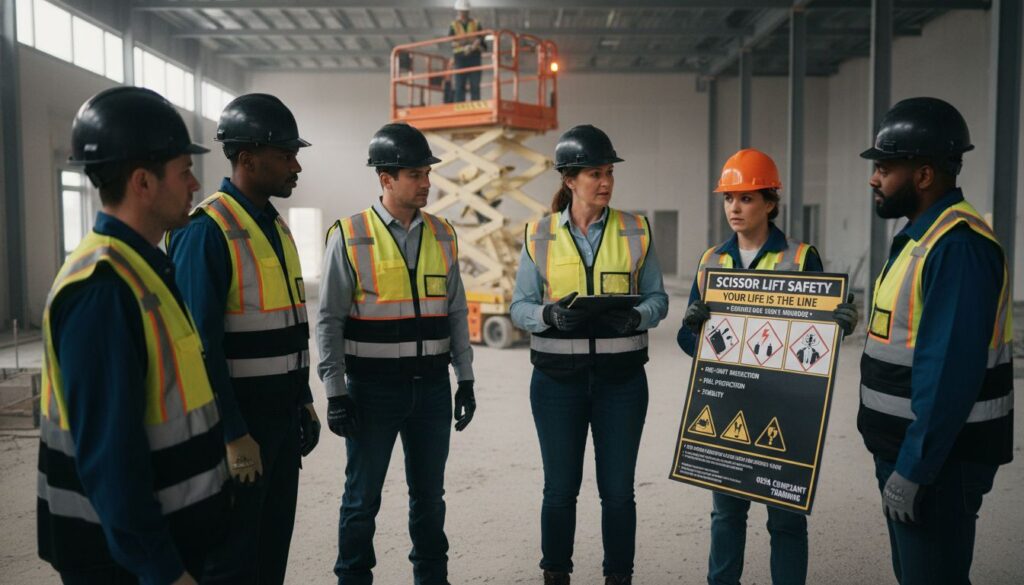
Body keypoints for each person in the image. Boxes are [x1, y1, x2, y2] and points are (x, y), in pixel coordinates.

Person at [37, 86, 230, 585]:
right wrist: (162, 569)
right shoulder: (102, 289)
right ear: (143, 182)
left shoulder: (144, 267)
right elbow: (109, 459)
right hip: (124, 563)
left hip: (165, 543)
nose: (193, 184)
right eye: (184, 170)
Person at [677, 148, 859, 585]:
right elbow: (690, 343)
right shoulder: (712, 262)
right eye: (728, 199)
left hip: (787, 409)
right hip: (728, 404)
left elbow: (817, 341)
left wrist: (840, 327)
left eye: (746, 199)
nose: (734, 209)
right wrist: (693, 329)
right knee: (726, 515)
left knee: (786, 519)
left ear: (770, 203)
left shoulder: (800, 258)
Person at [858, 97, 1013, 585]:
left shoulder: (958, 246)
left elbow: (949, 373)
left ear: (924, 175)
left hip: (940, 461)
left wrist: (915, 469)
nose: (873, 179)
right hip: (907, 451)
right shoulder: (919, 238)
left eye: (884, 167)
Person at [166, 93, 318, 584]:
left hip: (280, 418)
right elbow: (198, 347)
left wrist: (304, 400)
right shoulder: (207, 231)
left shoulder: (276, 226)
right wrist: (231, 432)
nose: (296, 166)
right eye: (285, 155)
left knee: (271, 552)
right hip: (239, 424)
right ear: (247, 159)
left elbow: (288, 323)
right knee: (233, 560)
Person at [316, 122, 477, 585]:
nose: (427, 182)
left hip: (431, 391)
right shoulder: (350, 235)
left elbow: (456, 310)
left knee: (430, 498)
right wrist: (336, 391)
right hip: (372, 392)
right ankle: (353, 578)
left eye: (427, 172)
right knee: (361, 499)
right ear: (386, 178)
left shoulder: (444, 234)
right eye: (415, 174)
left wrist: (464, 378)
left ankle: (432, 578)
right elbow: (329, 320)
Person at [510, 124, 669, 585]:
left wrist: (637, 318)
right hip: (557, 383)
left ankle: (618, 576)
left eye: (608, 172)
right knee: (559, 491)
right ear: (569, 179)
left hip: (622, 383)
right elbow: (519, 305)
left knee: (618, 493)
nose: (605, 182)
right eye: (595, 173)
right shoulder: (537, 235)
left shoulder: (636, 229)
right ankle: (555, 574)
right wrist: (549, 316)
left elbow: (658, 298)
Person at [449, 0, 485, 102]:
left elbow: (480, 39)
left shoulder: (476, 23)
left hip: (474, 56)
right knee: (459, 84)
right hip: (460, 57)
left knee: (475, 84)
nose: (463, 14)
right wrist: (467, 42)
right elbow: (452, 41)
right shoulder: (454, 25)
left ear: (468, 12)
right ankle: (459, 105)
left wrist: (471, 46)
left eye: (465, 11)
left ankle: (475, 104)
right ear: (458, 11)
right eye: (461, 11)